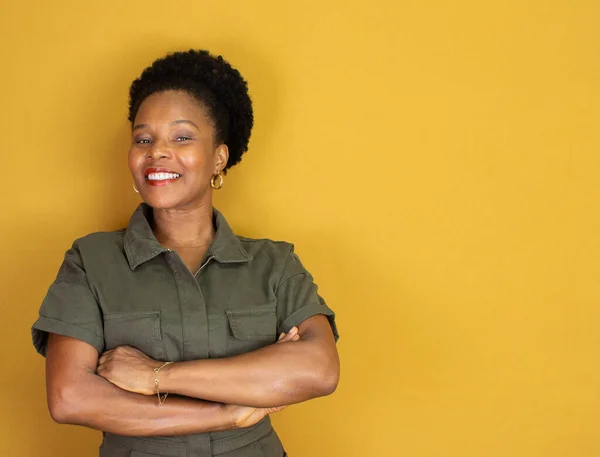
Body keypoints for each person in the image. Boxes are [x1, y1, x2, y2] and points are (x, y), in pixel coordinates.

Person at [31, 49, 340, 457]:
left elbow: (319, 370)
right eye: (144, 139)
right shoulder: (91, 260)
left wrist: (156, 376)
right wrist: (230, 412)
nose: (157, 151)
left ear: (218, 158)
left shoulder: (274, 264)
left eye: (181, 137)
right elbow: (70, 397)